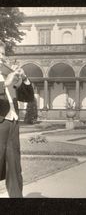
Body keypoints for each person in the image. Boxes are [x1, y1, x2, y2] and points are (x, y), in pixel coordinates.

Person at [0, 65, 34, 197]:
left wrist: (24, 79)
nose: (2, 58)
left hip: (12, 124)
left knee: (14, 167)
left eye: (3, 54)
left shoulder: (8, 75)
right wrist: (4, 84)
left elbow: (28, 97)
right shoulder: (7, 79)